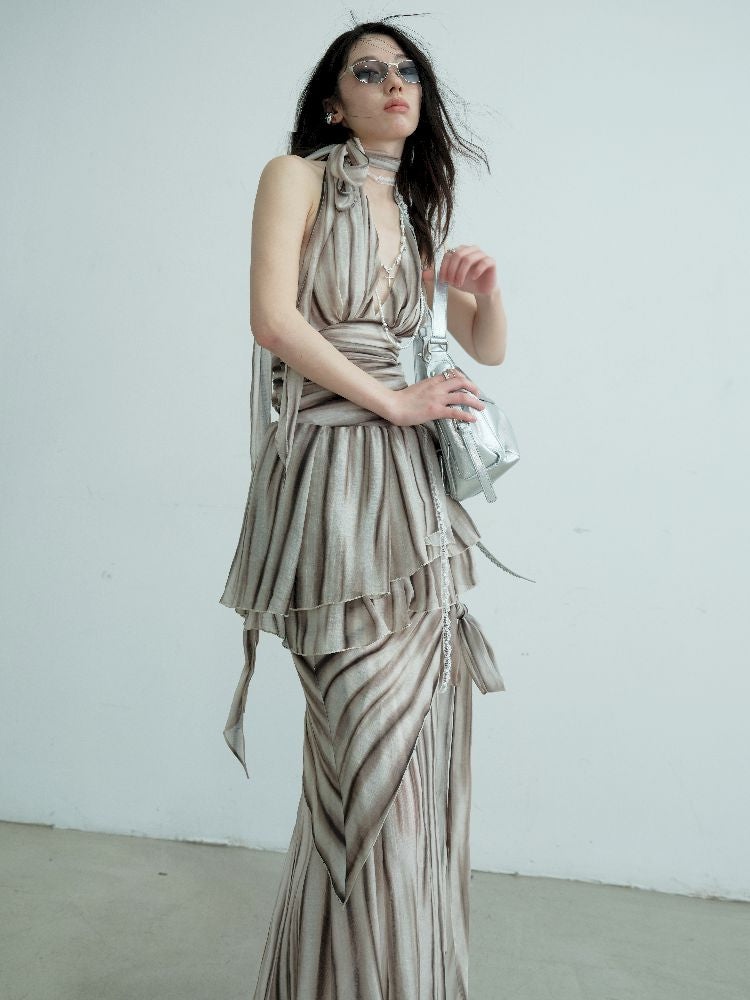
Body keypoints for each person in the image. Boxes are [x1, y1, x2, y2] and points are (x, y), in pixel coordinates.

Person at [219, 20, 521, 999]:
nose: (396, 84)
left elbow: (480, 346)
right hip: (328, 486)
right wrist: (390, 401)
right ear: (332, 102)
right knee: (358, 776)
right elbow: (273, 319)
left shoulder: (419, 211)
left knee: (415, 782)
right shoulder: (294, 177)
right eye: (370, 70)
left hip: (413, 505)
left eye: (408, 71)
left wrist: (484, 293)